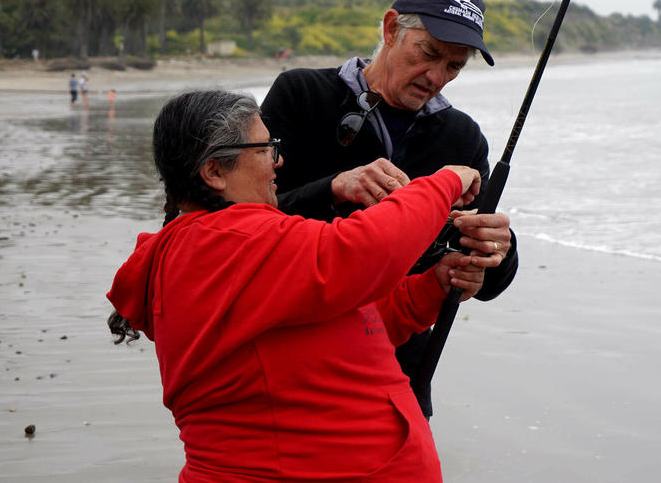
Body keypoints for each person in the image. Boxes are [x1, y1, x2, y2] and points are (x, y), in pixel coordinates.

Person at [107, 90, 484, 481]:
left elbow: (354, 326)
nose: (279, 161)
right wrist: (443, 184)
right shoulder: (224, 243)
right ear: (214, 172)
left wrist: (432, 288)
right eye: (266, 149)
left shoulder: (226, 247)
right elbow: (360, 252)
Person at [260, 0, 519, 417]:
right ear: (390, 28)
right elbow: (238, 226)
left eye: (454, 66)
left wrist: (497, 252)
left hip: (398, 384)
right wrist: (334, 188)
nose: (436, 76)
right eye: (429, 53)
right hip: (287, 369)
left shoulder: (462, 139)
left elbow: (484, 278)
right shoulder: (300, 94)